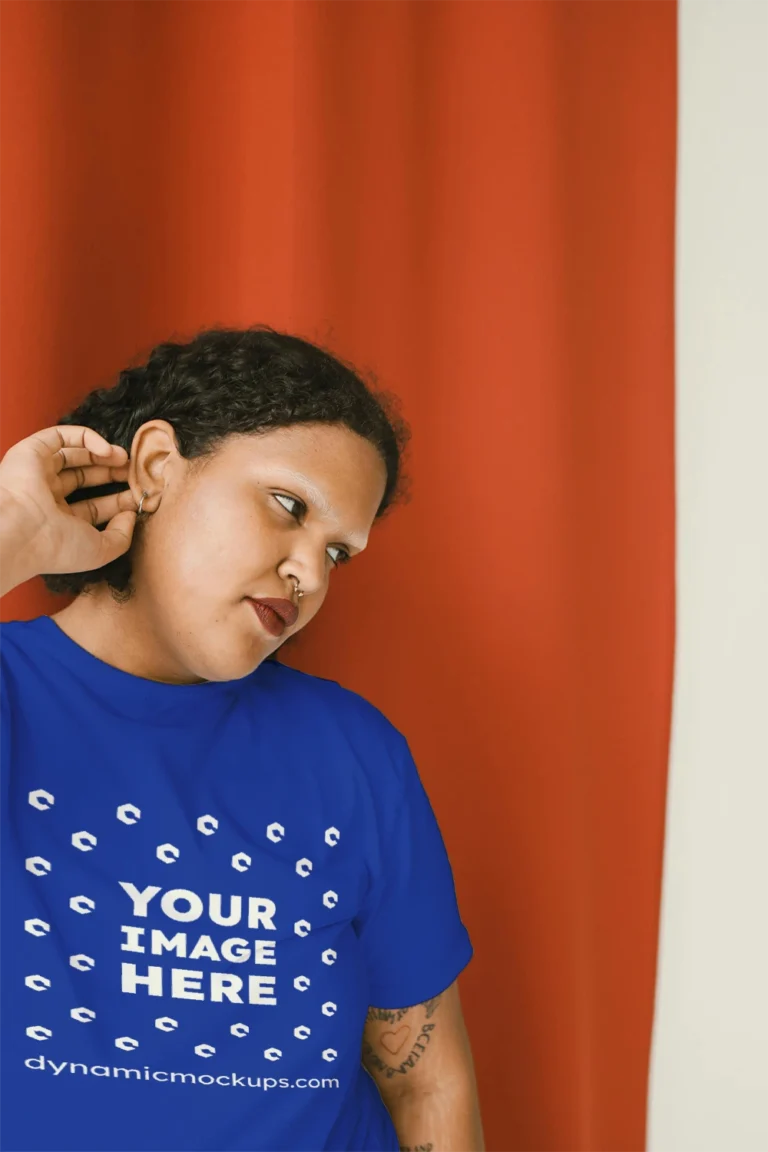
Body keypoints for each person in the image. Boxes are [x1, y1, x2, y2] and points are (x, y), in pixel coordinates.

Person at [0, 327, 483, 1152]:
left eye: (338, 552)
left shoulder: (354, 752)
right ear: (157, 467)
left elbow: (428, 1079)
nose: (311, 574)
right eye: (288, 507)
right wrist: (14, 525)